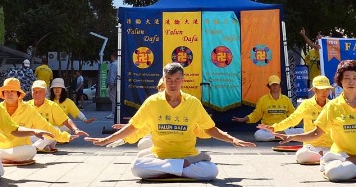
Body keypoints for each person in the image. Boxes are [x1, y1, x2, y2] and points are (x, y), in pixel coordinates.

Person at [86, 62, 255, 180]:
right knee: (136, 166)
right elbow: (134, 127)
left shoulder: (193, 102)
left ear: (182, 80)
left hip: (186, 154)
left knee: (212, 171)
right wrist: (107, 140)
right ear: (163, 80)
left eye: (177, 80)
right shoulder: (152, 102)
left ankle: (172, 169)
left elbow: (210, 129)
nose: (172, 84)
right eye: (169, 80)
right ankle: (182, 167)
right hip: (163, 157)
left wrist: (232, 139)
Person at [258, 75, 334, 164]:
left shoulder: (332, 105)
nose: (325, 92)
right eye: (321, 89)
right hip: (311, 146)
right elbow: (293, 119)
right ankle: (325, 157)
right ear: (314, 89)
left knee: (342, 154)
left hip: (330, 146)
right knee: (301, 156)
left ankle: (325, 157)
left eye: (327, 89)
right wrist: (275, 128)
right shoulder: (307, 104)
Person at [0, 77, 68, 161]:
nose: (9, 94)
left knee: (31, 150)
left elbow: (45, 126)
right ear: (3, 94)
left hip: (20, 148)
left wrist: (65, 137)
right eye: (6, 91)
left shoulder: (28, 108)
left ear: (18, 93)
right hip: (1, 147)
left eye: (12, 91)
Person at [231, 75, 295, 141]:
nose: (275, 86)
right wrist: (243, 119)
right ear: (269, 86)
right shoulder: (263, 100)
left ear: (280, 85)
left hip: (283, 128)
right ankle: (282, 136)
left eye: (276, 84)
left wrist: (303, 116)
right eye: (272, 84)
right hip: (268, 129)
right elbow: (256, 114)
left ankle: (278, 136)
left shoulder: (286, 99)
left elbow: (293, 114)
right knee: (258, 135)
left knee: (302, 130)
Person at [28, 80, 85, 146]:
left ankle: (34, 147)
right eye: (34, 91)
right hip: (32, 134)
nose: (37, 94)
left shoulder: (52, 105)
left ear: (45, 93)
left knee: (54, 130)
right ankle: (37, 147)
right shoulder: (26, 106)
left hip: (48, 134)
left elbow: (65, 120)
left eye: (40, 91)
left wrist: (76, 129)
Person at [106, 53, 119, 120]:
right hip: (117, 84)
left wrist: (111, 84)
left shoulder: (114, 64)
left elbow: (112, 75)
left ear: (112, 56)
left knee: (113, 99)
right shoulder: (119, 64)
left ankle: (113, 113)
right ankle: (115, 112)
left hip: (113, 85)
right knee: (116, 99)